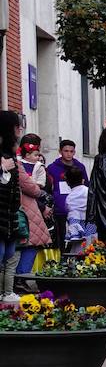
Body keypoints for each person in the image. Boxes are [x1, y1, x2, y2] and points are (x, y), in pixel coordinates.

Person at [15, 136, 52, 287]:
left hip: (29, 207)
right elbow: (32, 188)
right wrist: (38, 191)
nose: (38, 156)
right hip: (29, 208)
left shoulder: (38, 166)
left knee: (22, 244)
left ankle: (17, 278)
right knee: (31, 244)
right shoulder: (17, 164)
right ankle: (20, 277)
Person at [0, 112, 26, 303]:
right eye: (17, 126)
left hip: (9, 216)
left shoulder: (10, 153)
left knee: (8, 254)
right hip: (1, 215)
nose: (19, 130)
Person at [46, 137, 88, 246]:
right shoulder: (52, 168)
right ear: (60, 152)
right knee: (61, 239)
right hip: (59, 210)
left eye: (71, 151)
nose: (69, 154)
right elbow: (49, 188)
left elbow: (87, 185)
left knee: (80, 239)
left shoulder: (80, 167)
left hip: (80, 212)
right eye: (66, 151)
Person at [63, 168, 96, 251]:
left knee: (77, 249)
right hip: (90, 223)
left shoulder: (69, 197)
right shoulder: (88, 191)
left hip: (76, 227)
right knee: (91, 247)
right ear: (83, 180)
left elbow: (67, 208)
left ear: (68, 182)